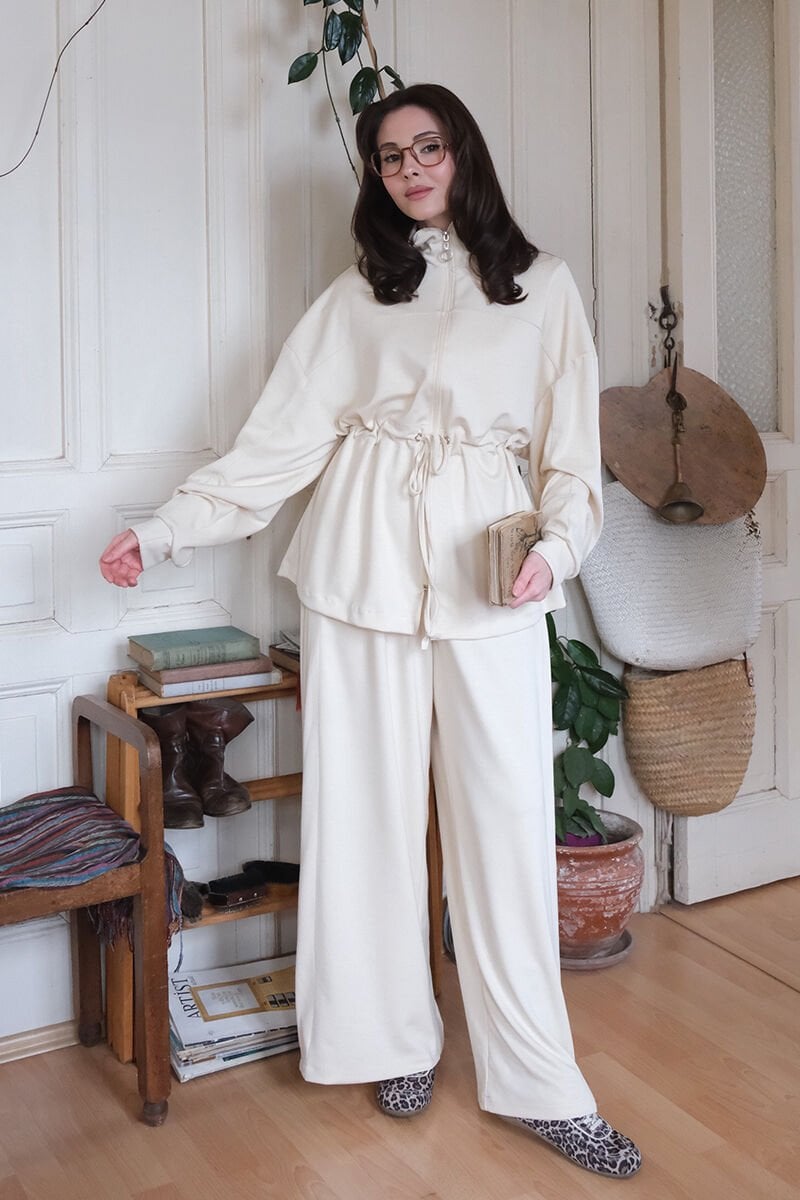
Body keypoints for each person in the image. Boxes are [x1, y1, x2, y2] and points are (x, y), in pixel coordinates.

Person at [100, 83, 641, 1179]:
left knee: (502, 824)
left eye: (427, 148)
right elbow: (275, 447)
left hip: (491, 575)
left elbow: (572, 461)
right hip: (360, 568)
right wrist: (163, 531)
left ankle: (541, 1083)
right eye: (390, 157)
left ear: (462, 153)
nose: (410, 170)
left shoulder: (543, 288)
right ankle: (391, 1041)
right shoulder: (357, 297)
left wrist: (557, 550)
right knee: (364, 819)